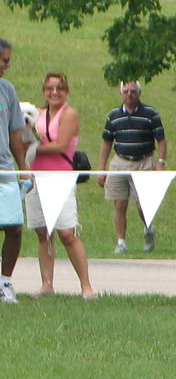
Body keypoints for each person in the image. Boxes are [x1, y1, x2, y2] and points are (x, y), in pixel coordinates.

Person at [27, 71, 96, 299]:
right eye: (49, 88)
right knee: (42, 232)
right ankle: (47, 284)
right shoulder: (37, 114)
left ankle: (86, 286)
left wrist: (30, 148)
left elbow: (60, 145)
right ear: (44, 90)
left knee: (67, 232)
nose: (54, 92)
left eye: (59, 88)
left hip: (60, 177)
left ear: (66, 91)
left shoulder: (70, 114)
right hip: (36, 177)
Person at [96, 80, 166, 254]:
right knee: (119, 204)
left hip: (144, 161)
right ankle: (121, 242)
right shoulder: (113, 115)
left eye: (133, 91)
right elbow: (106, 142)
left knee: (142, 205)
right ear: (121, 93)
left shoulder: (150, 114)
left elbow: (161, 140)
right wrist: (101, 168)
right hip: (120, 161)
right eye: (126, 91)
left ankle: (148, 228)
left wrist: (160, 163)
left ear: (139, 93)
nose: (129, 94)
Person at [0, 39, 29, 305]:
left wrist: (24, 168)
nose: (7, 65)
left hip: (4, 170)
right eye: (5, 60)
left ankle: (4, 281)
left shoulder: (7, 90)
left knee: (14, 228)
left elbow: (14, 133)